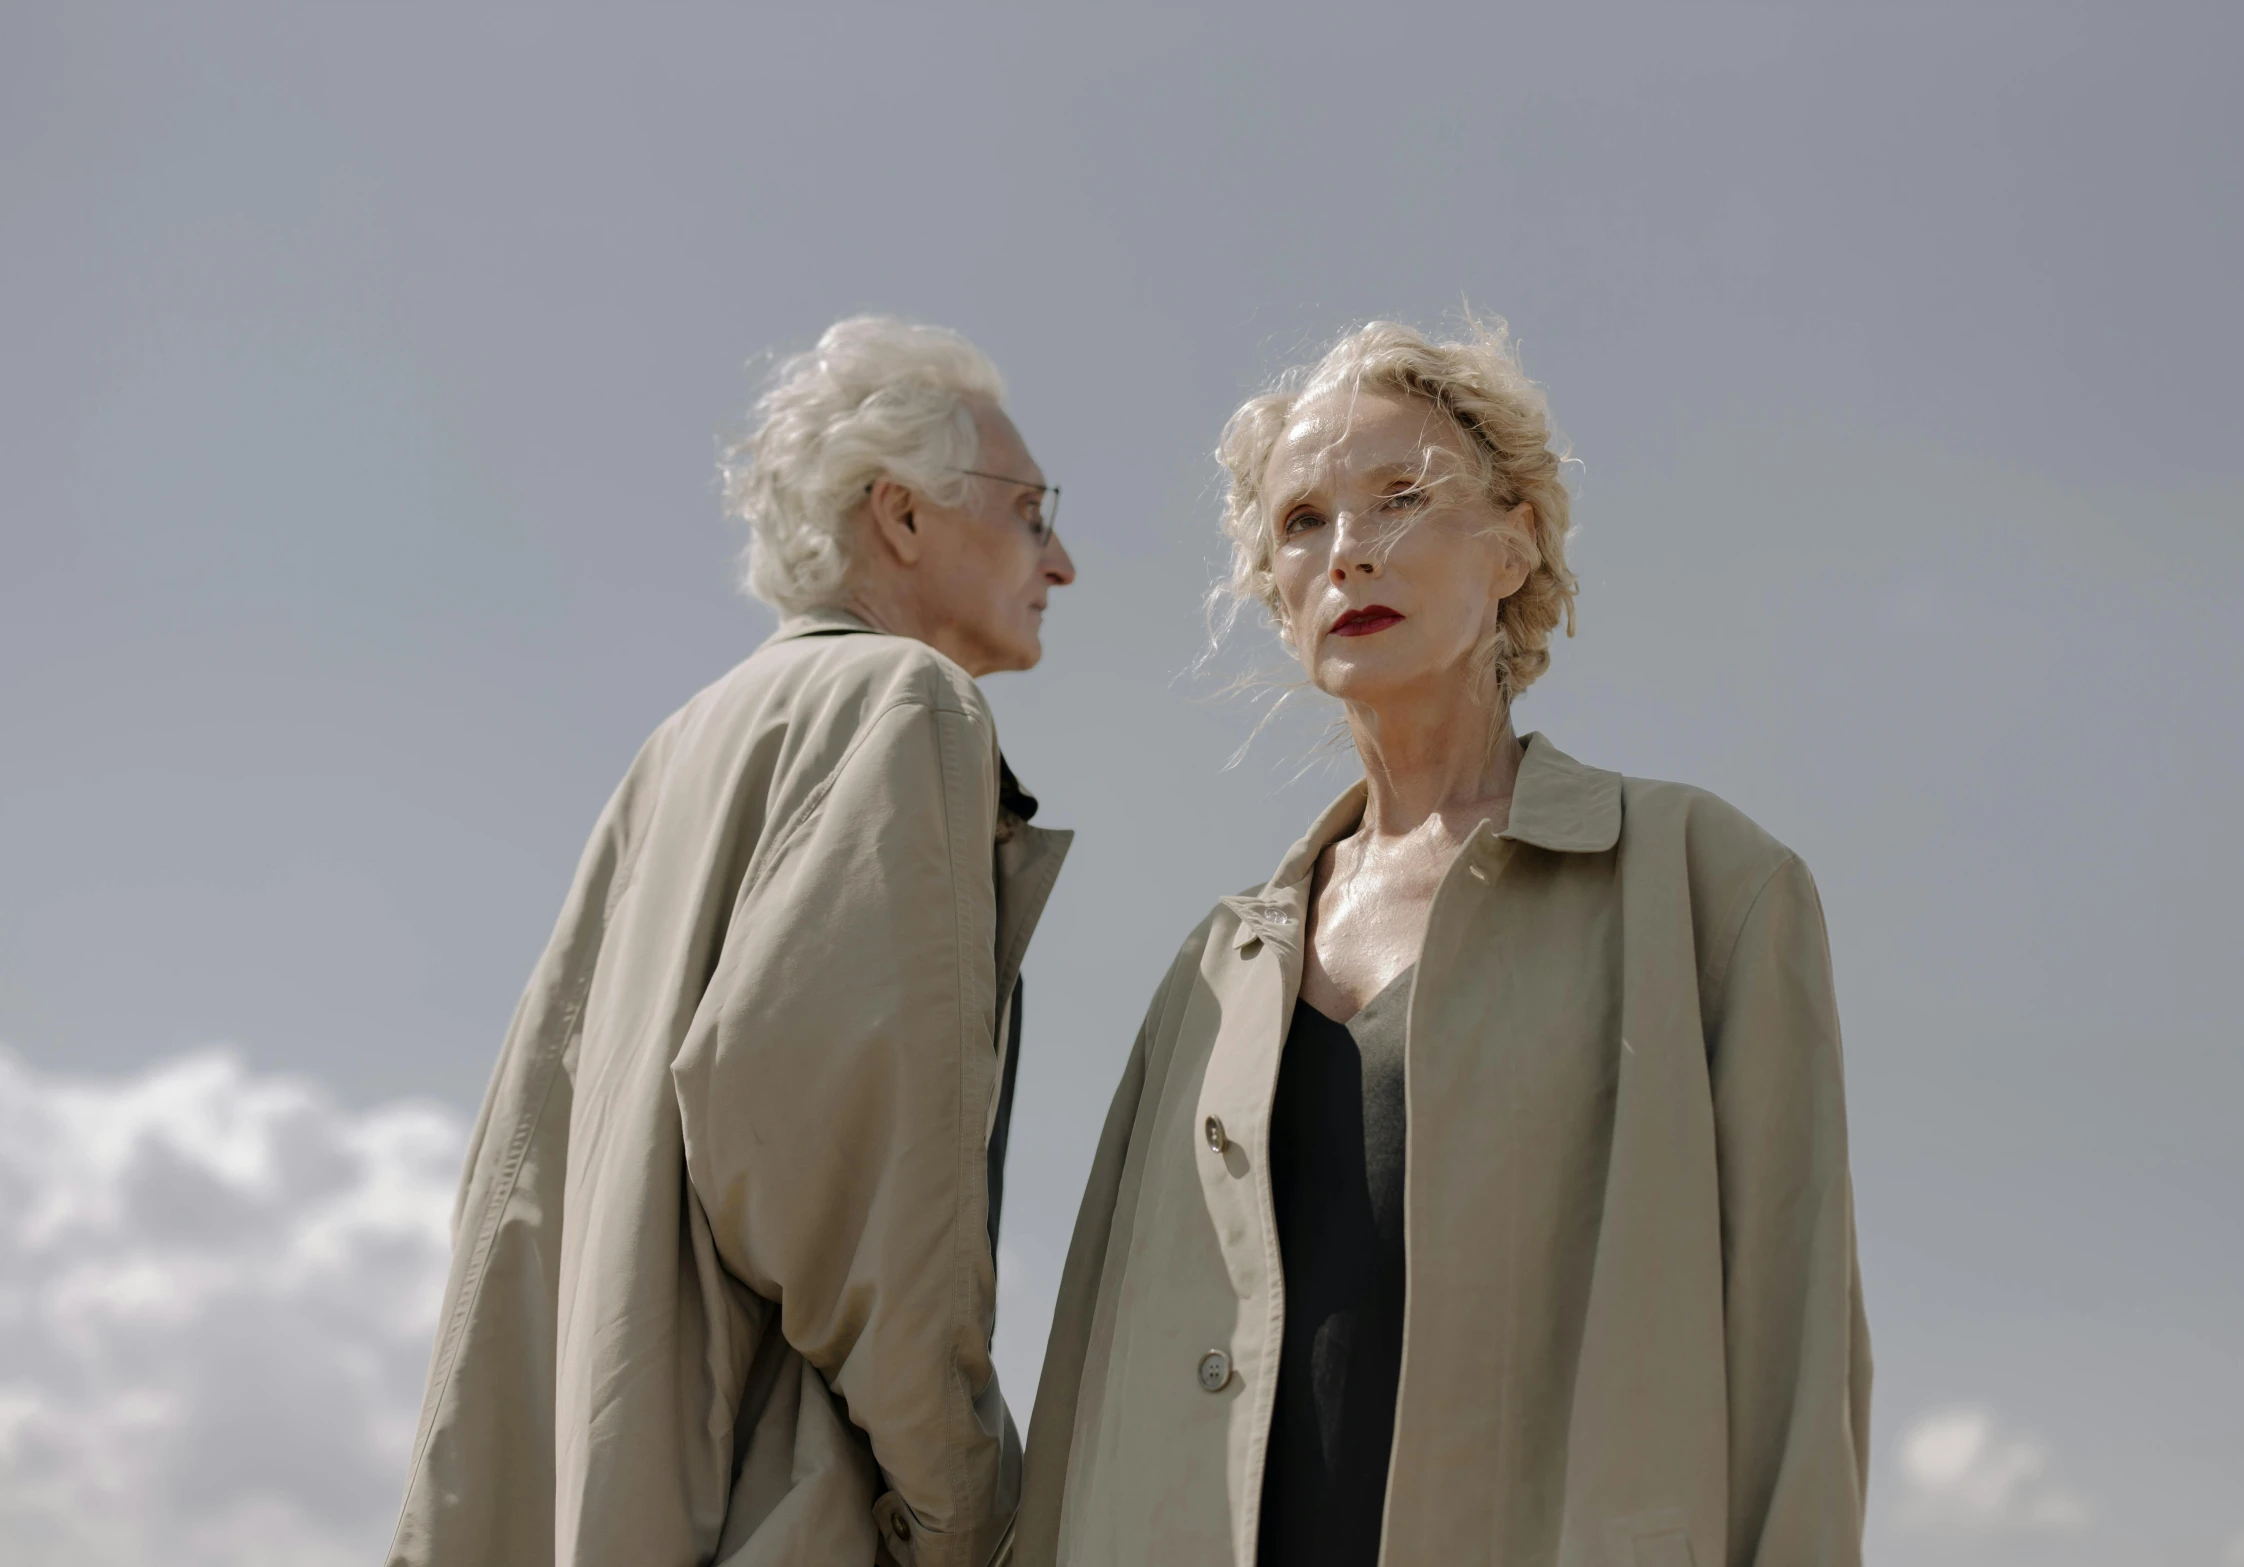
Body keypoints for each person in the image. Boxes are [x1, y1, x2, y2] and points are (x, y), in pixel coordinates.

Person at [1018, 321, 1868, 1567]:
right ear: (1273, 591)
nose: (1349, 549)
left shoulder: (1710, 888)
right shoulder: (1209, 977)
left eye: (1402, 498)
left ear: (1516, 541)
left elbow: (1799, 1368)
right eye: (1301, 521)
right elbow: (1092, 1385)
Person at [389, 317, 1077, 1567]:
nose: (1064, 560)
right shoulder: (901, 700)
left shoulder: (679, 747)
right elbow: (854, 1181)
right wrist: (971, 1512)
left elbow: (519, 1185)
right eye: (1032, 511)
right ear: (903, 516)